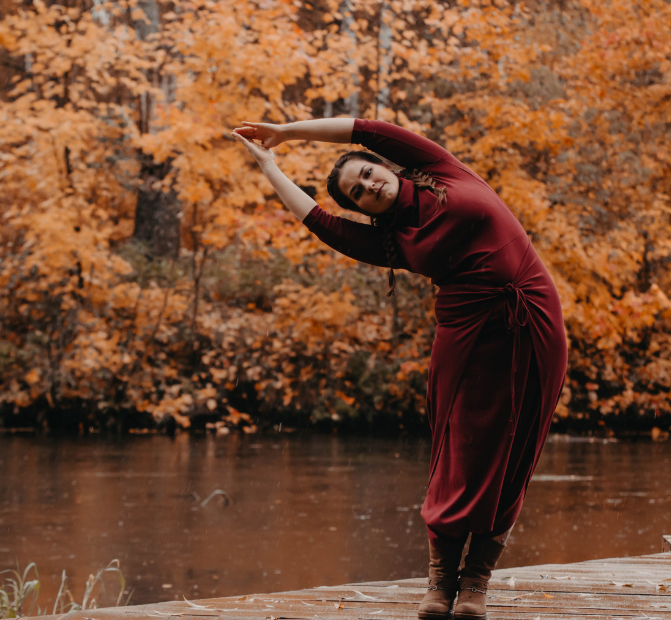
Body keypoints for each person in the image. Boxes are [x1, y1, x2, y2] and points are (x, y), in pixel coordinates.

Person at [232, 118, 567, 620]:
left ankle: (476, 583)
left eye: (366, 174)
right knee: (458, 455)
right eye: (357, 194)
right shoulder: (393, 242)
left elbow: (365, 128)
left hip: (532, 320)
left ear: (381, 165)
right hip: (466, 337)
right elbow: (320, 222)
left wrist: (286, 130)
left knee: (515, 453)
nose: (367, 186)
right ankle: (441, 582)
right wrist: (270, 167)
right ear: (362, 208)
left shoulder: (444, 170)